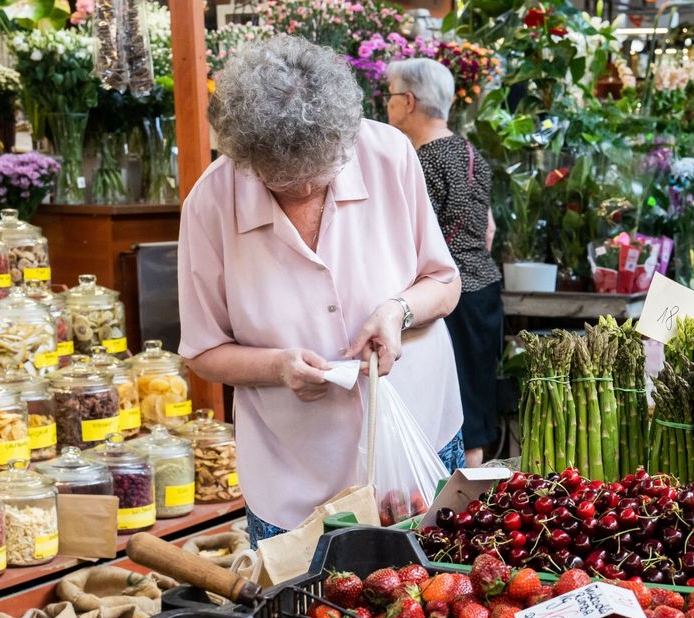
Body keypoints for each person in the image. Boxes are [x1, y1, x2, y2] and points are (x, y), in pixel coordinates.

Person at [177, 35, 464, 546]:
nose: (306, 191)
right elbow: (203, 350)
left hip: (419, 444)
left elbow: (443, 282)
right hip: (294, 475)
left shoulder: (387, 153)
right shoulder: (210, 205)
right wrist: (275, 367)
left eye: (319, 175)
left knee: (436, 601)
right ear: (246, 157)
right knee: (309, 617)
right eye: (284, 183)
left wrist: (398, 311)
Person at [385, 58, 503, 470]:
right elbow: (488, 229)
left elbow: (406, 239)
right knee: (476, 396)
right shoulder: (472, 154)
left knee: (453, 405)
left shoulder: (421, 160)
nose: (387, 105)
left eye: (391, 95)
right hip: (484, 288)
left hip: (448, 296)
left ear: (409, 101)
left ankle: (461, 506)